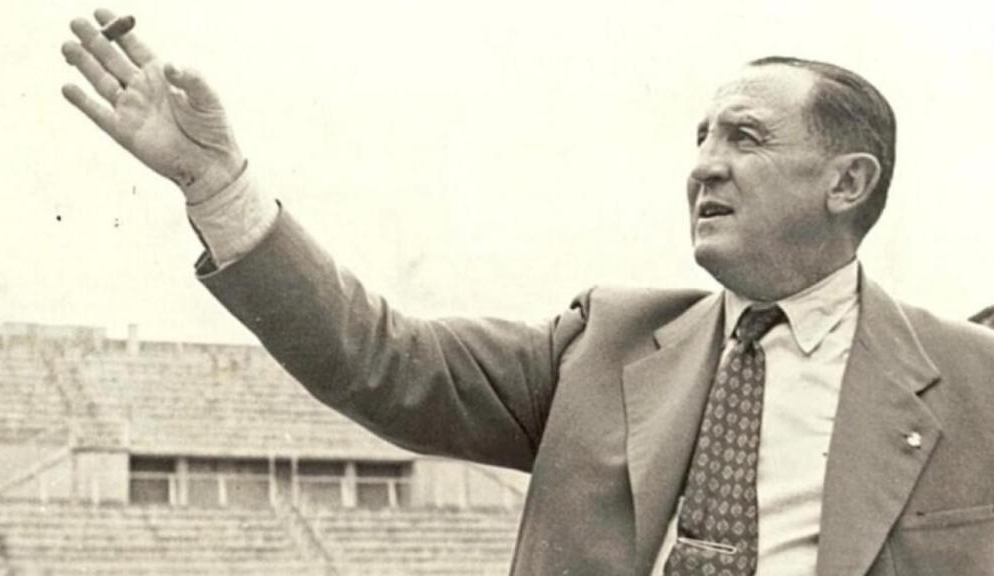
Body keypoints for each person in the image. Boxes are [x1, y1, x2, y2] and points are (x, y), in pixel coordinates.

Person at [61, 9, 994, 576]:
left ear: (848, 183)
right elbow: (380, 358)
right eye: (700, 138)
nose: (704, 166)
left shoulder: (973, 380)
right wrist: (214, 183)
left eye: (745, 140)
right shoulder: (607, 344)